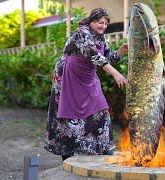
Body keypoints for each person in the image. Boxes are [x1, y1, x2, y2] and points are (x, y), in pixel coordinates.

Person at [44, 8, 128, 161]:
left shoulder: (100, 37)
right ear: (91, 21)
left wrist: (121, 51)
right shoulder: (82, 33)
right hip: (69, 76)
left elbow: (107, 58)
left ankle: (102, 148)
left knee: (101, 109)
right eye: (99, 22)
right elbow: (95, 57)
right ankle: (68, 154)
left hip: (88, 76)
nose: (102, 26)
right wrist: (116, 74)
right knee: (69, 114)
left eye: (105, 23)